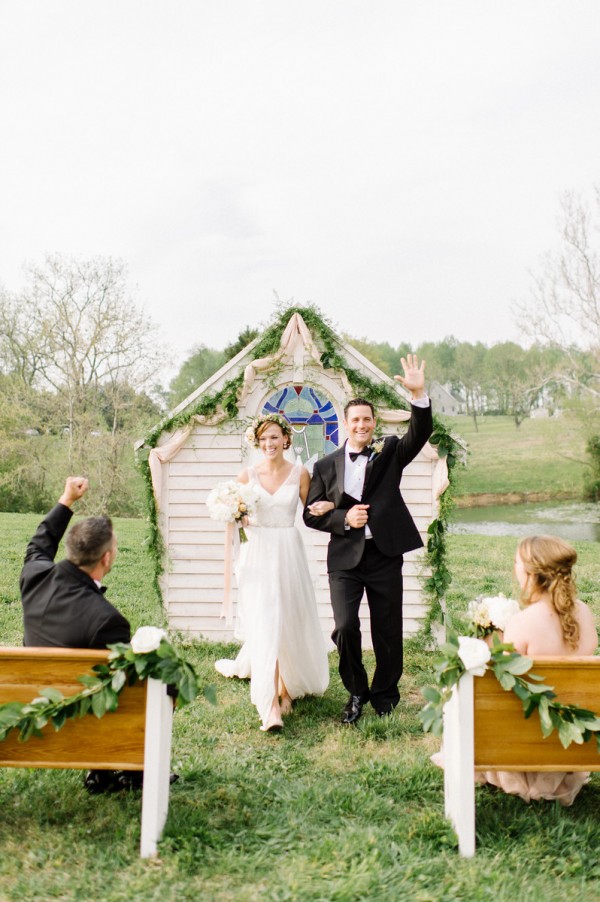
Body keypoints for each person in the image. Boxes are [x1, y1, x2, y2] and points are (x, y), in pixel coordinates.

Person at [303, 355, 433, 724]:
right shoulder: (325, 466)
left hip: (384, 555)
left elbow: (420, 434)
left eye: (367, 419)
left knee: (387, 629)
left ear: (374, 423)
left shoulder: (390, 451)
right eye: (355, 420)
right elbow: (310, 514)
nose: (361, 425)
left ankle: (385, 695)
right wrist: (344, 517)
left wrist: (419, 394)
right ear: (345, 424)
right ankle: (357, 692)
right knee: (345, 627)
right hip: (344, 559)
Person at [20, 476, 136, 792]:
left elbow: (39, 544)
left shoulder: (34, 575)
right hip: (75, 722)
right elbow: (119, 689)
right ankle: (121, 770)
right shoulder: (108, 620)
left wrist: (66, 499)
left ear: (70, 548)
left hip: (26, 706)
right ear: (107, 558)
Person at [215, 413, 329, 732]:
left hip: (289, 550)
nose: (269, 443)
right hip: (258, 552)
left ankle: (286, 689)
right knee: (266, 622)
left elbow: (311, 514)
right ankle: (269, 707)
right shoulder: (247, 475)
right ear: (257, 441)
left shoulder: (300, 474)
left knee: (288, 617)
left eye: (275, 437)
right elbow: (236, 514)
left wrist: (329, 508)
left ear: (286, 440)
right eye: (264, 438)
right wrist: (238, 518)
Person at [475, 534, 598, 805]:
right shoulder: (586, 614)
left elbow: (501, 680)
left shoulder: (523, 622)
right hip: (571, 738)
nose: (514, 567)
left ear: (532, 573)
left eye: (517, 562)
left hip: (529, 736)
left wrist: (489, 640)